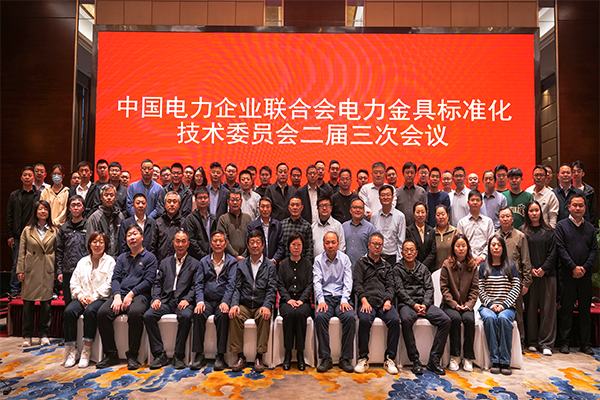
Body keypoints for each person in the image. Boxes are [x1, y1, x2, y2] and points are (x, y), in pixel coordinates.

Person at [96, 224, 157, 370]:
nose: (132, 238)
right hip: (121, 294)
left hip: (140, 295)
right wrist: (117, 296)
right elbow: (115, 278)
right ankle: (111, 354)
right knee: (102, 313)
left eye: (135, 234)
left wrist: (131, 294)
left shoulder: (150, 257)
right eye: (129, 235)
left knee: (135, 313)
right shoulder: (122, 258)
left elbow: (148, 281)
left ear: (142, 237)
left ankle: (133, 355)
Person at [395, 239, 450, 375]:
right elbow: (400, 291)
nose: (409, 252)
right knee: (406, 320)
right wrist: (413, 305)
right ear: (402, 253)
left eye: (411, 250)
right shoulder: (397, 269)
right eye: (406, 250)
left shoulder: (423, 268)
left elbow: (429, 289)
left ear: (416, 253)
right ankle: (415, 360)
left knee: (445, 320)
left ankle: (434, 360)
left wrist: (425, 304)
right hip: (408, 305)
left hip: (424, 304)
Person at [144, 230, 198, 369]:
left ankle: (179, 355)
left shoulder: (195, 264)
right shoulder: (164, 262)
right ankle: (159, 354)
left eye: (183, 241)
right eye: (177, 241)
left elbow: (195, 286)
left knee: (186, 316)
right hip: (166, 300)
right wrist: (156, 298)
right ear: (173, 243)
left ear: (188, 244)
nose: (180, 244)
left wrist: (187, 299)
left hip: (184, 302)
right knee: (149, 315)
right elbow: (157, 283)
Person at [62, 231, 115, 368]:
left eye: (101, 242)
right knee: (69, 311)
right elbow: (74, 282)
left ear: (105, 245)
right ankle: (72, 350)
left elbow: (109, 284)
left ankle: (86, 350)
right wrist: (81, 296)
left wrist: (94, 297)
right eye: (94, 242)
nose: (97, 245)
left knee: (90, 311)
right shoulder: (82, 262)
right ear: (89, 244)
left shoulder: (110, 261)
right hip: (82, 296)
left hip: (100, 298)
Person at [229, 230, 278, 373]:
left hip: (260, 305)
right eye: (252, 242)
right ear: (248, 245)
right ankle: (240, 356)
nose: (255, 245)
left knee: (264, 316)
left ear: (263, 245)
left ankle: (259, 356)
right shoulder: (241, 265)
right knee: (234, 315)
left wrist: (267, 305)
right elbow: (237, 287)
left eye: (258, 242)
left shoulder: (270, 266)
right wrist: (234, 304)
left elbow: (271, 289)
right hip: (244, 304)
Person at [555, 195, 598, 356]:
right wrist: (573, 267)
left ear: (585, 208)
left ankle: (585, 343)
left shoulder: (590, 228)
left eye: (581, 205)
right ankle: (564, 342)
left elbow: (594, 250)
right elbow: (560, 248)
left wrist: (584, 268)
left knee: (585, 310)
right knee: (566, 309)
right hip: (567, 274)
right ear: (569, 207)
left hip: (585, 275)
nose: (578, 208)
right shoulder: (561, 226)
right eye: (575, 205)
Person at [353, 232, 400, 375]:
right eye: (374, 244)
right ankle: (363, 358)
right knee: (364, 320)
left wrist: (388, 300)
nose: (377, 247)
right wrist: (364, 301)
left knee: (395, 320)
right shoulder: (361, 263)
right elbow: (357, 284)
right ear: (369, 245)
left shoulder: (387, 265)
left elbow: (391, 286)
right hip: (367, 302)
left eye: (380, 244)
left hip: (383, 302)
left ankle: (389, 359)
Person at [192, 231, 238, 371]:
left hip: (222, 301)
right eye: (215, 241)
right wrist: (200, 301)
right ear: (211, 244)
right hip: (206, 300)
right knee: (198, 313)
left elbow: (231, 284)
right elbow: (198, 283)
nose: (218, 243)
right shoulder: (204, 261)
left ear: (225, 244)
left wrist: (225, 302)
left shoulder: (232, 262)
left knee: (223, 315)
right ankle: (199, 354)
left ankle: (220, 355)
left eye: (221, 241)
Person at [478, 235, 521, 375]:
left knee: (503, 318)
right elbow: (480, 289)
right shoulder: (483, 267)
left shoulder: (511, 266)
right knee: (490, 318)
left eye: (499, 245)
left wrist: (504, 305)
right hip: (487, 307)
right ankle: (495, 360)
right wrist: (490, 304)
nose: (496, 248)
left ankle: (505, 361)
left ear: (503, 248)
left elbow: (516, 288)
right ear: (489, 248)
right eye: (493, 245)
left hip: (506, 307)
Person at [16, 200, 57, 347]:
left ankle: (43, 334)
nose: (43, 211)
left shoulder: (54, 230)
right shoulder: (27, 230)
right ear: (35, 211)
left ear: (49, 212)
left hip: (47, 269)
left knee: (46, 305)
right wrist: (20, 270)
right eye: (40, 209)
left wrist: (56, 270)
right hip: (31, 269)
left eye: (45, 209)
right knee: (28, 304)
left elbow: (57, 252)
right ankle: (27, 335)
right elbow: (21, 252)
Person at [313, 232, 355, 373]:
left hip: (341, 297)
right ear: (323, 244)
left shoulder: (345, 259)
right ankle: (326, 358)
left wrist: (344, 299)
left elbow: (348, 281)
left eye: (333, 242)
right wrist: (320, 300)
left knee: (349, 317)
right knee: (320, 317)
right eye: (327, 243)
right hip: (325, 298)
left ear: (338, 244)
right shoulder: (318, 260)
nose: (330, 246)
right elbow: (317, 282)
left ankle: (345, 358)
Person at [521, 200, 557, 356]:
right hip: (530, 276)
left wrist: (544, 268)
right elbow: (522, 254)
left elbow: (553, 253)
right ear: (527, 213)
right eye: (531, 211)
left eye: (536, 210)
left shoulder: (549, 231)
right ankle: (532, 341)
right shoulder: (523, 232)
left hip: (548, 275)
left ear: (541, 212)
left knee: (548, 309)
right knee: (530, 308)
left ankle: (546, 343)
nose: (534, 213)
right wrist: (531, 269)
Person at [440, 234, 478, 372]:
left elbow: (475, 289)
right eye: (458, 246)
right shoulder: (446, 264)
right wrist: (454, 304)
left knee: (469, 320)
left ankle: (468, 357)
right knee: (455, 319)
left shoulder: (473, 265)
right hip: (449, 305)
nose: (461, 249)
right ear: (453, 248)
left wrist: (468, 305)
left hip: (467, 304)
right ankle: (454, 356)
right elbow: (444, 288)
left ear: (467, 247)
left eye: (463, 246)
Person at [496, 206, 532, 353]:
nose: (505, 219)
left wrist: (526, 282)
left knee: (517, 314)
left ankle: (520, 343)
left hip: (515, 282)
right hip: (497, 282)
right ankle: (501, 342)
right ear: (499, 219)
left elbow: (526, 261)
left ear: (512, 218)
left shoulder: (520, 236)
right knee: (500, 313)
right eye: (502, 216)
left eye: (507, 216)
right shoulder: (495, 237)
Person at [278, 232, 314, 371]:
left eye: (299, 244)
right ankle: (287, 353)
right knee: (289, 314)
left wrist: (301, 300)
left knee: (299, 314)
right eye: (294, 244)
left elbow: (310, 285)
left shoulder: (307, 264)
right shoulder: (283, 264)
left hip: (303, 302)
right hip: (286, 302)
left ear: (303, 246)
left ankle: (300, 353)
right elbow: (280, 284)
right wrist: (288, 300)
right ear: (289, 246)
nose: (296, 247)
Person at [6, 166, 40, 297]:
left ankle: (32, 288)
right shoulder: (14, 195)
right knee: (17, 262)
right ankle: (14, 289)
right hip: (18, 235)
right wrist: (9, 235)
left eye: (29, 175)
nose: (27, 177)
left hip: (34, 234)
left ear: (33, 178)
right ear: (21, 178)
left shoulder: (38, 195)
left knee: (34, 262)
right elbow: (9, 216)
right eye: (25, 175)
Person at [56, 195, 88, 306]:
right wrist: (59, 271)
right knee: (68, 303)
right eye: (73, 205)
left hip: (84, 271)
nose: (75, 208)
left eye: (78, 205)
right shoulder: (64, 228)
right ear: (69, 208)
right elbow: (59, 250)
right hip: (67, 271)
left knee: (84, 302)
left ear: (83, 208)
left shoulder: (88, 226)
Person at [86, 184, 125, 259]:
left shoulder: (120, 216)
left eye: (111, 195)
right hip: (101, 260)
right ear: (101, 197)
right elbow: (90, 243)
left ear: (115, 197)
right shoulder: (94, 218)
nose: (109, 198)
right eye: (106, 195)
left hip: (118, 259)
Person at [456, 190, 494, 266]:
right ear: (468, 203)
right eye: (472, 200)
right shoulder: (462, 223)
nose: (475, 202)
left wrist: (482, 257)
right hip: (467, 261)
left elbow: (491, 242)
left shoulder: (488, 222)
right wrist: (474, 257)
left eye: (477, 200)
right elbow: (461, 244)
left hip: (486, 262)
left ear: (481, 204)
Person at [371, 185, 405, 266]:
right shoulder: (374, 216)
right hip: (377, 258)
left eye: (388, 195)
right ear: (379, 198)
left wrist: (399, 262)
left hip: (393, 258)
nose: (385, 197)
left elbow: (401, 241)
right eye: (383, 195)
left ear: (392, 198)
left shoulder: (400, 216)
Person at [246, 197, 284, 265]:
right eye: (262, 207)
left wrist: (274, 260)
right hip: (256, 263)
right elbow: (249, 245)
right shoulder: (251, 226)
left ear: (271, 208)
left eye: (268, 207)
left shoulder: (277, 225)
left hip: (274, 264)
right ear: (259, 208)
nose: (265, 209)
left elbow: (281, 246)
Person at [150, 191, 186, 262]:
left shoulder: (184, 222)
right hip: (161, 263)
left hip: (180, 263)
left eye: (174, 202)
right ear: (165, 204)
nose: (172, 204)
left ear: (179, 204)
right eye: (169, 202)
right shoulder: (158, 223)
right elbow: (152, 247)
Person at [217, 189, 252, 260]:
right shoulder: (223, 219)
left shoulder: (247, 218)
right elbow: (223, 239)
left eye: (237, 200)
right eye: (232, 200)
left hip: (246, 258)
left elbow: (251, 238)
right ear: (228, 202)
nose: (235, 202)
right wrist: (236, 255)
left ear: (241, 201)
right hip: (228, 259)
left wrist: (244, 256)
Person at [342, 198, 377, 267]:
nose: (357, 210)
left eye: (360, 208)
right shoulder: (343, 226)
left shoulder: (370, 228)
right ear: (350, 210)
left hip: (364, 267)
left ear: (364, 211)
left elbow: (373, 250)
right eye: (355, 207)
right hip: (346, 267)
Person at [185, 187, 217, 261]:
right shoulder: (190, 218)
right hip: (196, 259)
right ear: (195, 200)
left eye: (205, 197)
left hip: (212, 258)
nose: (203, 200)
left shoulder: (213, 218)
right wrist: (204, 257)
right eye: (200, 198)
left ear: (209, 200)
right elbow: (191, 241)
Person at [406, 201, 437, 272]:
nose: (420, 215)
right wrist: (418, 267)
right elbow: (410, 250)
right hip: (414, 268)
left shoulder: (431, 230)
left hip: (429, 268)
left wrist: (423, 266)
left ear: (426, 213)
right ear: (414, 214)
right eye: (417, 212)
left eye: (423, 212)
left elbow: (433, 252)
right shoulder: (409, 231)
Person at [281, 196, 314, 262]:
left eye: (297, 205)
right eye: (292, 205)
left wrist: (306, 264)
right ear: (289, 208)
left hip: (302, 264)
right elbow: (280, 246)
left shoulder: (306, 226)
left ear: (301, 208)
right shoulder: (282, 225)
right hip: (285, 264)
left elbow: (309, 249)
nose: (295, 207)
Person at [396, 162, 428, 227]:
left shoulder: (421, 191)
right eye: (407, 172)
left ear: (415, 174)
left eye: (412, 173)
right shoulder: (397, 192)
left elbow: (426, 211)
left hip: (418, 228)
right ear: (403, 174)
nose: (409, 175)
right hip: (401, 227)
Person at [571, 160, 599, 231]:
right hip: (570, 227)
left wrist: (593, 229)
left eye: (579, 171)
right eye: (573, 172)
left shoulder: (590, 191)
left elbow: (593, 213)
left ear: (583, 173)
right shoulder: (567, 190)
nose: (576, 174)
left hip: (586, 227)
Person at [434, 204, 458, 272]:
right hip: (435, 270)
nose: (441, 217)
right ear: (435, 217)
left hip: (452, 270)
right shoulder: (431, 233)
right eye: (438, 215)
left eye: (443, 214)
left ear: (448, 215)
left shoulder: (454, 231)